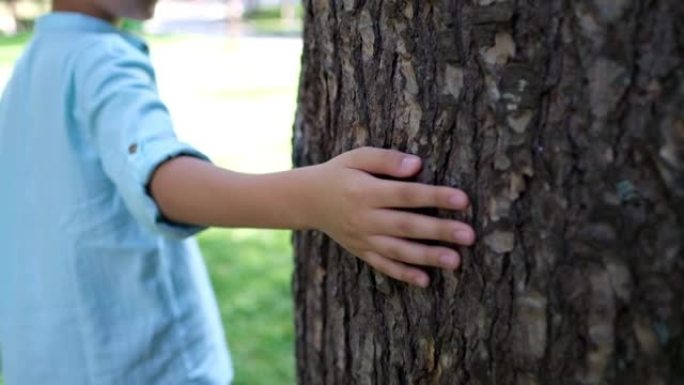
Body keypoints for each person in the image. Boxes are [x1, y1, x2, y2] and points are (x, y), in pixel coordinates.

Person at [0, 0, 476, 384]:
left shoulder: (28, 72)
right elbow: (163, 182)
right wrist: (315, 201)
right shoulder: (100, 59)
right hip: (139, 366)